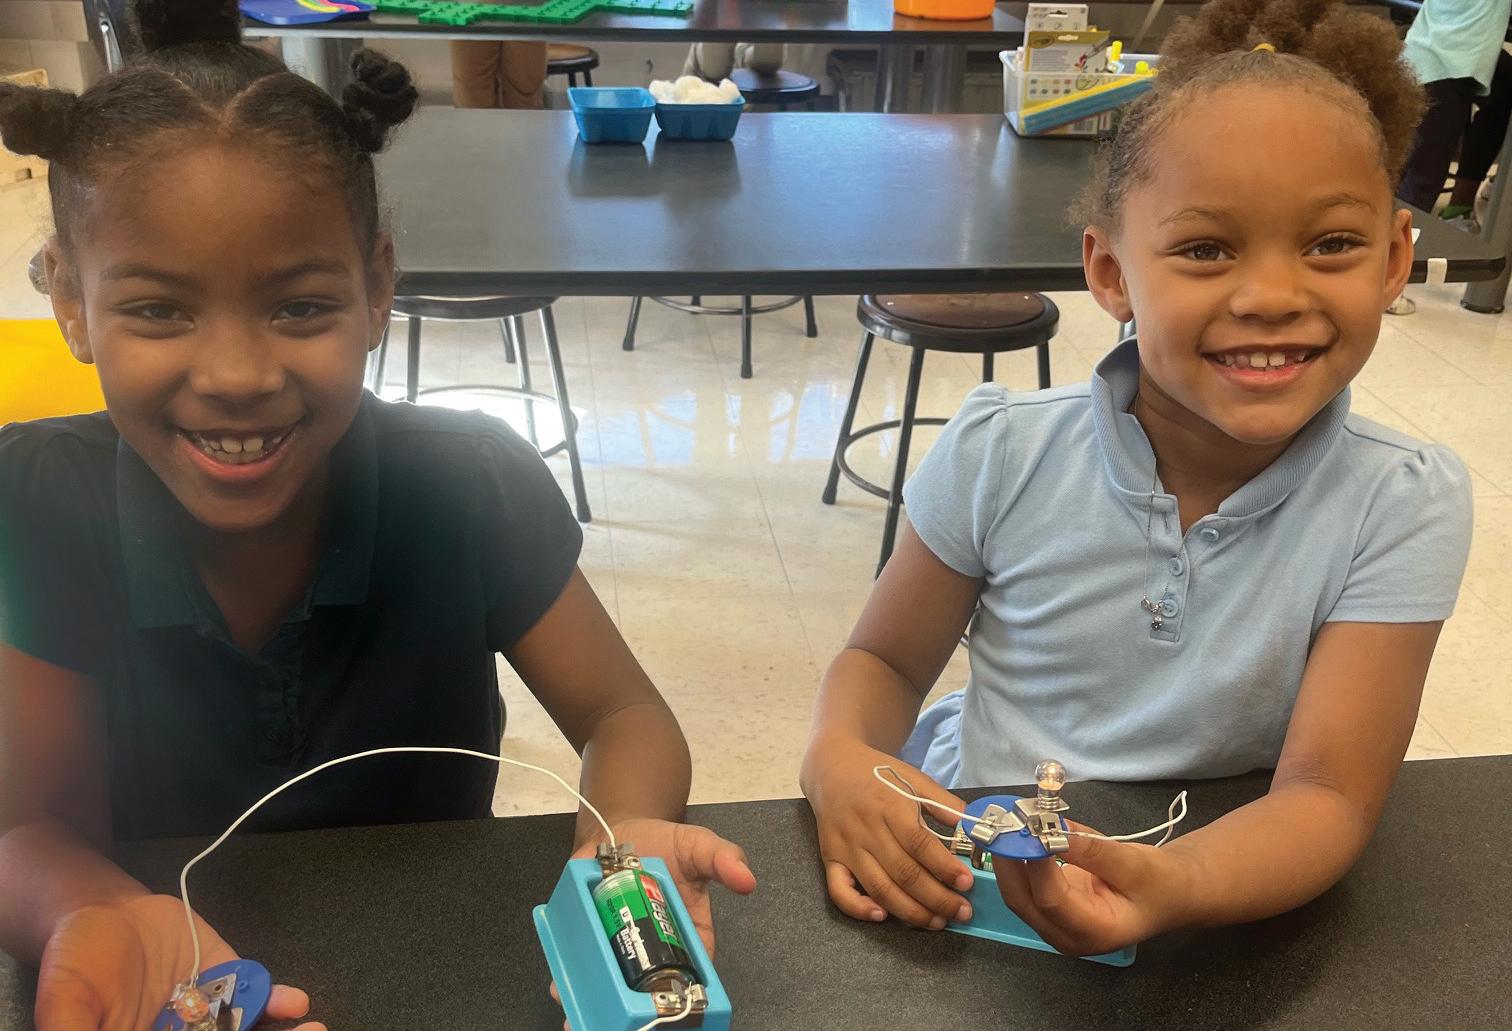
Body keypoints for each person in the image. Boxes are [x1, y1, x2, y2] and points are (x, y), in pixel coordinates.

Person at [0, 1, 754, 1027]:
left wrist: (620, 847)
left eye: (300, 306)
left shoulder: (466, 484)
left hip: (445, 972)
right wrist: (93, 910)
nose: (237, 375)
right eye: (159, 309)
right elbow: (29, 825)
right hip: (158, 982)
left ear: (378, 285)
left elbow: (627, 717)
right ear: (69, 301)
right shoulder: (43, 502)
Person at [801, 0, 1472, 958]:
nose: (1272, 297)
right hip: (969, 875)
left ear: (1397, 258)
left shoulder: (1401, 503)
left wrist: (1175, 884)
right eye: (1206, 248)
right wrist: (838, 755)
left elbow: (1328, 794)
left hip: (1223, 876)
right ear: (1111, 271)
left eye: (1330, 244)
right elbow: (884, 662)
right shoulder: (1000, 452)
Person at [1397, 0, 1512, 224]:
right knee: (1424, 177)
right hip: (1444, 69)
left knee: (1415, 169)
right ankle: (1399, 238)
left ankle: (1464, 205)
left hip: (1430, 58)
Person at [450, 39, 549, 109]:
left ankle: (523, 132)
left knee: (525, 92)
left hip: (526, 18)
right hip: (471, 18)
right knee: (471, 97)